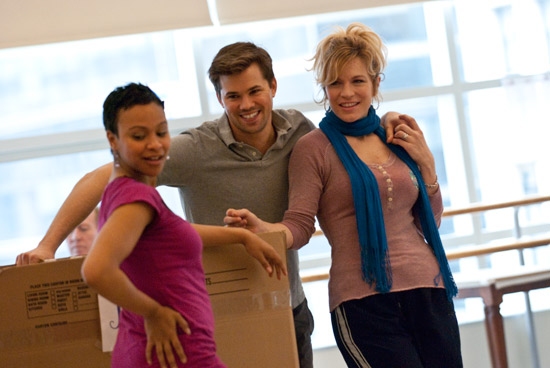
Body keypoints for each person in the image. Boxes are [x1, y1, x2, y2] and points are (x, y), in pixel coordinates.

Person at [16, 41, 405, 367]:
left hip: (288, 305)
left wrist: (386, 117)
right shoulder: (195, 149)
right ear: (220, 98)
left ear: (272, 86)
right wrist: (48, 245)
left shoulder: (300, 132)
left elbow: (349, 122)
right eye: (232, 95)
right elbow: (100, 179)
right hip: (218, 312)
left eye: (254, 91)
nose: (245, 104)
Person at [224, 23, 463, 368]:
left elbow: (431, 221)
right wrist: (264, 229)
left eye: (357, 81)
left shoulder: (397, 133)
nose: (346, 92)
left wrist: (427, 165)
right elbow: (300, 226)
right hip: (363, 301)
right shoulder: (313, 149)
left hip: (428, 289)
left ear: (376, 83)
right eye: (335, 83)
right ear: (324, 88)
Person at [81, 82, 286, 368]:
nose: (155, 144)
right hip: (178, 352)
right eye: (139, 136)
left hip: (150, 349)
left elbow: (172, 235)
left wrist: (240, 236)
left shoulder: (122, 190)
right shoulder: (136, 199)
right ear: (113, 140)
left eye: (161, 132)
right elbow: (95, 270)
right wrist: (154, 313)